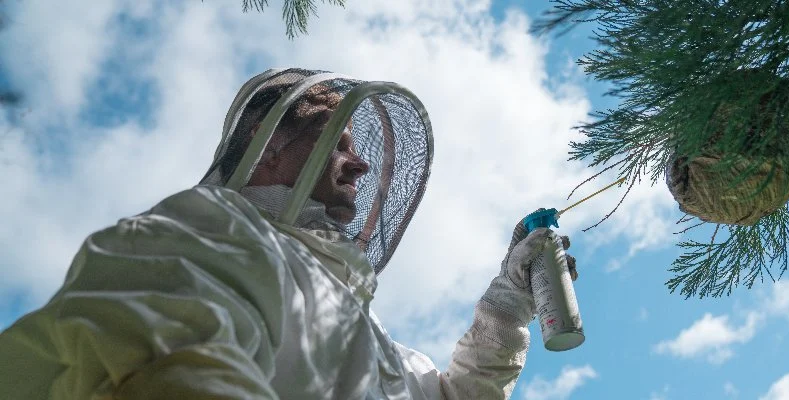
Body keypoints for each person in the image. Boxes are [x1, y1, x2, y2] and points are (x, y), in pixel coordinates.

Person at [0, 69, 577, 399]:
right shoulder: (213, 234)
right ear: (269, 142)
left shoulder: (363, 333)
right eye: (339, 144)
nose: (361, 165)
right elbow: (181, 374)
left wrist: (507, 302)